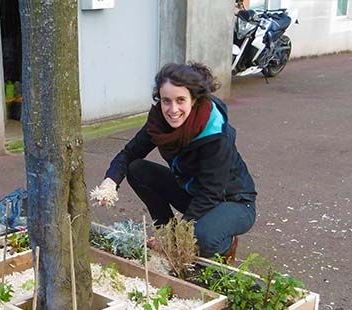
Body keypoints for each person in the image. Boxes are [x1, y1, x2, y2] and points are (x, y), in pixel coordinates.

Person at [91, 62, 256, 260]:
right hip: (194, 193)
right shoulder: (159, 123)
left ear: (193, 100)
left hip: (232, 202)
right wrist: (110, 181)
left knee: (202, 239)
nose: (173, 109)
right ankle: (166, 232)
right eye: (166, 100)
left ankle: (225, 243)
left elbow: (211, 193)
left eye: (180, 100)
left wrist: (178, 238)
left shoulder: (215, 135)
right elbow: (129, 154)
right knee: (137, 170)